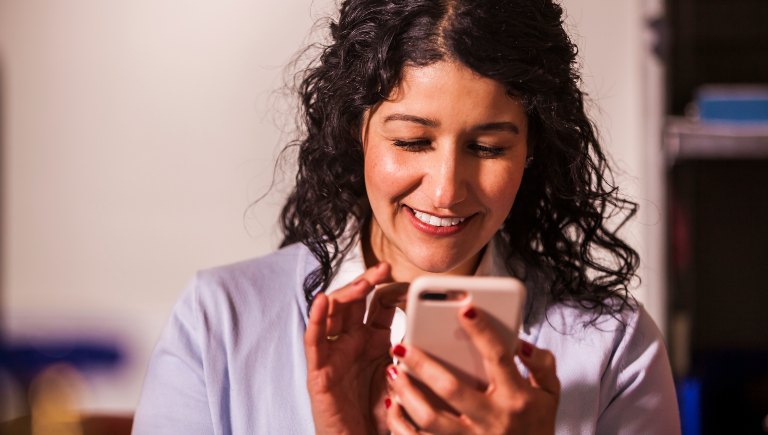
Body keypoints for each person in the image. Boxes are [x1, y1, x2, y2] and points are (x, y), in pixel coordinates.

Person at [132, 0, 681, 433]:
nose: (445, 191)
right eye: (413, 141)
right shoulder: (219, 326)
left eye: (488, 148)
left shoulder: (614, 349)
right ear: (357, 130)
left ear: (533, 147)